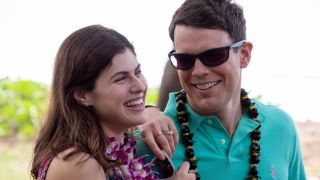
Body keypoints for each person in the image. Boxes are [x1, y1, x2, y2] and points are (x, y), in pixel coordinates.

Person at [137, 0, 306, 179]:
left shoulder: (281, 127)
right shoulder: (153, 142)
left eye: (214, 56)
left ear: (244, 55)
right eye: (184, 59)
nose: (199, 71)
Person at [30, 25, 196, 180]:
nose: (139, 86)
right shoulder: (77, 164)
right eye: (121, 79)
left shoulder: (121, 148)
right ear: (82, 95)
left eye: (137, 72)